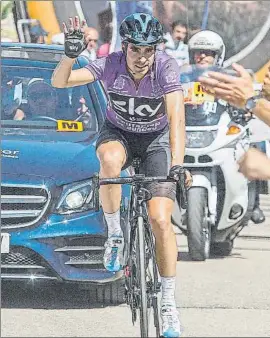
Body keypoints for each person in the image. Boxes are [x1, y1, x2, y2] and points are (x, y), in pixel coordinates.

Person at [51, 14, 191, 337]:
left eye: (149, 51)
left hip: (155, 142)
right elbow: (60, 82)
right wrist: (69, 57)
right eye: (136, 51)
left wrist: (178, 164)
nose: (142, 58)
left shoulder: (166, 67)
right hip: (120, 135)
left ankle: (168, 302)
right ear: (124, 47)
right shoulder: (110, 64)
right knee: (109, 161)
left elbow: (176, 118)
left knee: (160, 219)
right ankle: (115, 234)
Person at [181, 30, 267, 224]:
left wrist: (245, 108)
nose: (202, 56)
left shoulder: (228, 78)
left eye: (208, 52)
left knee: (252, 147)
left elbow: (245, 98)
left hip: (220, 128)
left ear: (218, 56)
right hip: (190, 129)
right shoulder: (183, 78)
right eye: (198, 52)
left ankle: (255, 203)